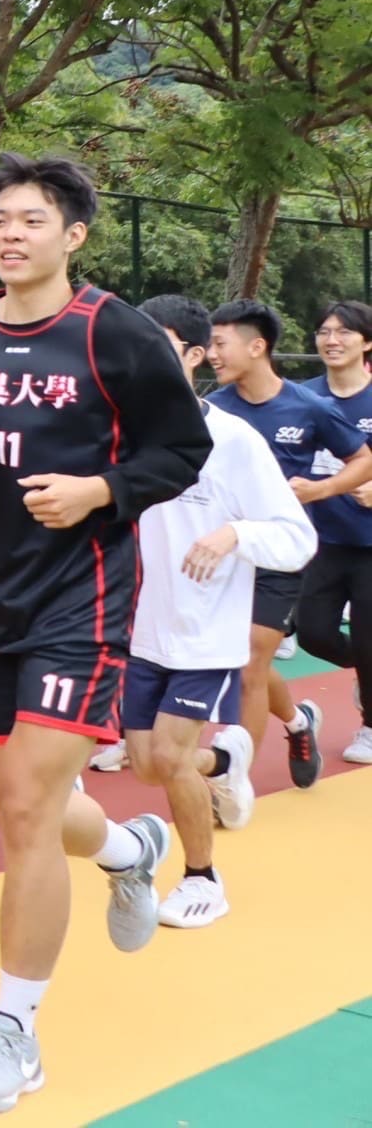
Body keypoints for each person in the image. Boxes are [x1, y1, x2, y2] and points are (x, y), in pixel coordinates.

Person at [0, 153, 201, 1114]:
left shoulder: (117, 333)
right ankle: (126, 852)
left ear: (73, 236)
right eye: (1, 220)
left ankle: (12, 1035)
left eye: (32, 220)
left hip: (82, 602)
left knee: (28, 806)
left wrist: (101, 489)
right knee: (23, 806)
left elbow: (182, 449)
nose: (11, 234)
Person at [124, 296, 318, 929]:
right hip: (140, 630)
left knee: (169, 758)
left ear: (193, 355)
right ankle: (226, 761)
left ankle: (202, 879)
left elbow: (296, 539)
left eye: (157, 344)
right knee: (147, 764)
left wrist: (235, 533)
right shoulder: (117, 430)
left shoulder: (234, 441)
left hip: (206, 632)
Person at [205, 297, 372, 803]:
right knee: (259, 655)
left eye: (219, 343)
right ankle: (299, 720)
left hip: (286, 552)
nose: (211, 354)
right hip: (231, 551)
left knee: (252, 663)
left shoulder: (308, 407)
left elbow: (362, 459)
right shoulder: (214, 409)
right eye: (325, 331)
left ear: (257, 347)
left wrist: (320, 489)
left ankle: (235, 781)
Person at [299, 300, 372, 764]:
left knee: (368, 637)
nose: (332, 340)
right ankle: (366, 672)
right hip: (320, 541)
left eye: (344, 332)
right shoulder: (302, 397)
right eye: (324, 331)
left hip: (370, 544)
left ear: (367, 342)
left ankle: (370, 727)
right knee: (313, 634)